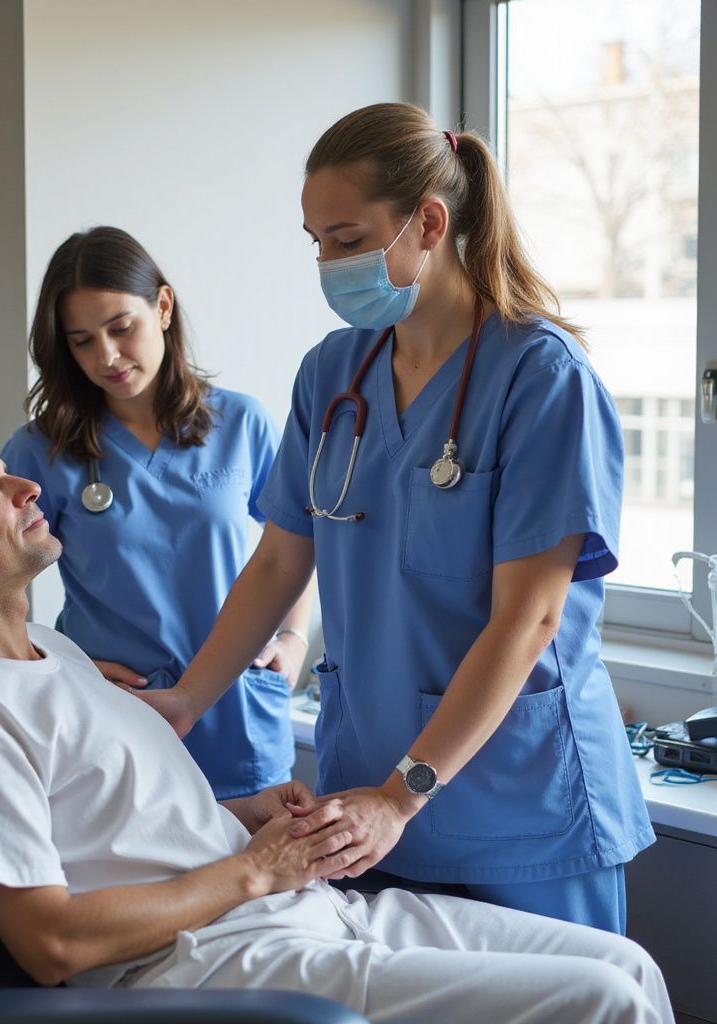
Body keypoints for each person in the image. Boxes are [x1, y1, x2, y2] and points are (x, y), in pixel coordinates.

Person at [0, 415, 673, 1024]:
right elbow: (50, 940)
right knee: (595, 1003)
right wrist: (255, 873)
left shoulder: (52, 650)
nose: (25, 483)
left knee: (624, 965)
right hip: (208, 965)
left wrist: (245, 818)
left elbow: (110, 834)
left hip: (301, 910)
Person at [136, 102, 654, 934]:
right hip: (365, 802)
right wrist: (188, 699)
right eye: (315, 243)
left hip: (512, 802)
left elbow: (533, 618)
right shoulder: (332, 375)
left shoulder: (541, 378)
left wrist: (401, 795)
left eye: (346, 239)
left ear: (430, 222)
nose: (326, 263)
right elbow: (279, 562)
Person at [0, 226, 313, 799]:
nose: (108, 357)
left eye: (122, 328)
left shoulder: (242, 424)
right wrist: (63, 667)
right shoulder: (39, 450)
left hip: (238, 712)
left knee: (260, 880)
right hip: (118, 712)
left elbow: (293, 543)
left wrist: (294, 637)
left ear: (162, 306)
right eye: (82, 341)